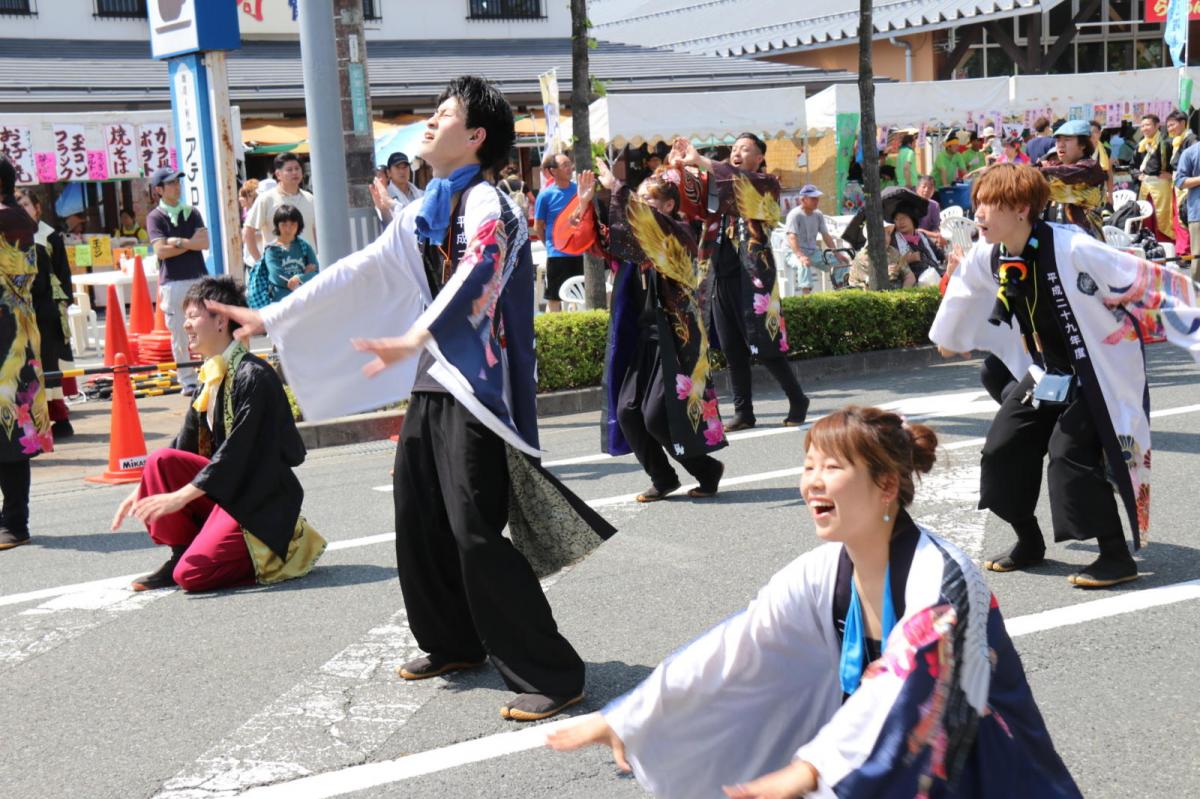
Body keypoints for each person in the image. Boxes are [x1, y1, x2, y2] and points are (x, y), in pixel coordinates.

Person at [204, 75, 614, 722]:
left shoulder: (490, 205)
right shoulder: (430, 204)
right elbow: (361, 267)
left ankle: (553, 671)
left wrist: (417, 334)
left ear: (475, 137)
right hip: (434, 379)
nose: (429, 122)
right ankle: (453, 641)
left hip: (479, 388)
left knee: (475, 527)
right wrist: (271, 317)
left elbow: (481, 267)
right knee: (418, 514)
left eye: (444, 114)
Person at [547, 406, 1082, 799]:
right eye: (808, 466)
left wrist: (811, 768)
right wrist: (631, 716)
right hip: (881, 759)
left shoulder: (941, 579)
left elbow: (908, 683)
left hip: (976, 762)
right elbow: (738, 647)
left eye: (831, 467)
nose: (812, 483)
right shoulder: (823, 572)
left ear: (887, 484)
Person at [931, 163, 1200, 587]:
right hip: (1047, 373)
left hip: (1098, 374)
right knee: (1003, 448)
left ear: (1021, 209)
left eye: (989, 204)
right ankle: (1028, 540)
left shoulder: (1073, 248)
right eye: (977, 203)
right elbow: (965, 290)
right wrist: (947, 336)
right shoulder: (992, 253)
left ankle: (1115, 555)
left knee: (1068, 452)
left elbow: (1145, 280)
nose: (978, 214)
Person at [110, 276, 325, 592]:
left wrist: (180, 497)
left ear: (221, 320)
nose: (186, 326)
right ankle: (182, 551)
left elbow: (237, 454)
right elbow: (182, 445)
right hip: (230, 494)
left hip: (259, 502)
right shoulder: (210, 374)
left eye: (193, 316)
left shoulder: (255, 377)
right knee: (159, 461)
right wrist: (141, 490)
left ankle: (283, 548)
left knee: (191, 576)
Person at [570, 164, 727, 502]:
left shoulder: (678, 233)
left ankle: (706, 469)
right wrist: (584, 205)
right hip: (643, 338)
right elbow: (604, 242)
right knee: (627, 411)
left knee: (656, 416)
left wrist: (618, 188)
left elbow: (646, 224)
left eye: (648, 201)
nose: (639, 207)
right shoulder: (637, 245)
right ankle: (663, 477)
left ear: (669, 206)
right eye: (638, 200)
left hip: (676, 338)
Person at [668, 134, 810, 432]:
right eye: (733, 149)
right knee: (732, 350)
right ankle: (744, 412)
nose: (736, 153)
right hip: (717, 275)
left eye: (745, 149)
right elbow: (692, 203)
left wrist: (701, 161)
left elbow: (737, 180)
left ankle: (797, 398)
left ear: (759, 157)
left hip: (752, 280)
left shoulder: (765, 183)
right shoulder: (719, 186)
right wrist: (680, 168)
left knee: (765, 344)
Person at [0, 157, 52, 552]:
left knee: (13, 429)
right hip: (17, 328)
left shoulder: (8, 219)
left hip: (8, 336)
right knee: (13, 428)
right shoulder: (20, 217)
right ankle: (13, 520)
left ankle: (15, 522)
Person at [15, 190, 76, 437]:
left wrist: (64, 301)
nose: (22, 208)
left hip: (46, 307)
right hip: (26, 309)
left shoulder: (47, 236)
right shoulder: (14, 234)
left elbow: (62, 272)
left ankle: (58, 419)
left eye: (26, 203)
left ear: (37, 207)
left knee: (48, 363)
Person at [146, 167, 208, 396]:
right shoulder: (155, 216)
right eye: (170, 183)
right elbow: (161, 251)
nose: (176, 186)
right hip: (173, 282)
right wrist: (188, 243)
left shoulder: (192, 212)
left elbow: (203, 243)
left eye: (177, 182)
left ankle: (207, 374)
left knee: (205, 328)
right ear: (159, 190)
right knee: (180, 333)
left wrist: (178, 242)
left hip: (199, 277)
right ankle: (187, 380)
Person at [1038, 119, 1107, 240]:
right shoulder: (1057, 167)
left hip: (1087, 242)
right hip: (1059, 241)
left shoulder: (1090, 168)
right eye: (1058, 140)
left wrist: (1032, 172)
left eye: (1067, 140)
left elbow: (1062, 174)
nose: (1060, 144)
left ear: (1083, 144)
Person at [244, 152, 317, 262]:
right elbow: (248, 231)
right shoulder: (266, 199)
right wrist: (260, 262)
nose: (295, 172)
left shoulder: (310, 199)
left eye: (297, 168)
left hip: (308, 268)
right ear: (278, 174)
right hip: (278, 269)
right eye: (289, 170)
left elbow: (317, 232)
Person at [534, 151, 580, 312]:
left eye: (570, 164)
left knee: (579, 296)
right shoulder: (545, 195)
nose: (570, 168)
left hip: (579, 252)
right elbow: (538, 226)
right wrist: (548, 245)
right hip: (557, 255)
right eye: (565, 165)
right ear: (553, 171)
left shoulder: (579, 191)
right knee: (555, 298)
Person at [783, 184, 846, 295]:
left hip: (812, 252)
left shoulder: (818, 214)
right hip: (793, 252)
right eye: (813, 198)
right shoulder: (794, 215)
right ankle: (807, 298)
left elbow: (826, 235)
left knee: (840, 262)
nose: (816, 201)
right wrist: (801, 256)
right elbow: (792, 237)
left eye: (817, 198)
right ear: (803, 199)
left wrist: (836, 253)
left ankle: (840, 290)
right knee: (803, 263)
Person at [261, 204, 318, 302]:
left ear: (299, 225)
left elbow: (316, 272)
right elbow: (277, 277)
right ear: (277, 225)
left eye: (293, 224)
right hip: (280, 301)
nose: (288, 228)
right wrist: (304, 276)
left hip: (304, 300)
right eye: (284, 224)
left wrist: (298, 277)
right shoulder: (272, 249)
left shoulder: (304, 246)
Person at [1135, 113, 1175, 241]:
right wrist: (1137, 175)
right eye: (1142, 126)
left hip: (1162, 185)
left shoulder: (1168, 143)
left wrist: (1171, 174)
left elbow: (1176, 164)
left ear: (1157, 125)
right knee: (1146, 217)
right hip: (1145, 186)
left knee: (1162, 218)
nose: (1144, 128)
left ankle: (1165, 245)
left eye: (1147, 125)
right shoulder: (1141, 145)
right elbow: (1133, 166)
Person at [1167, 109, 1196, 253]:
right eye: (1168, 126)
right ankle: (1181, 249)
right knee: (1178, 217)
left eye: (1172, 125)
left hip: (1187, 184)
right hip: (1177, 183)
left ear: (1183, 123)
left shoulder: (1191, 140)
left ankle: (1185, 251)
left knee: (1184, 216)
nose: (1170, 129)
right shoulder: (1177, 141)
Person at [371, 151, 425, 226]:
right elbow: (388, 224)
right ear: (389, 172)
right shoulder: (384, 197)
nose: (402, 171)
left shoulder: (422, 194)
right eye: (397, 167)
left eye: (405, 167)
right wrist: (384, 208)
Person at [1173, 133, 1200, 265]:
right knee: (1198, 259)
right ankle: (1196, 286)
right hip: (1198, 211)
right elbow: (1180, 181)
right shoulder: (1191, 152)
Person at [915, 174, 942, 242]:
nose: (926, 190)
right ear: (917, 188)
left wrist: (933, 235)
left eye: (930, 188)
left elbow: (936, 227)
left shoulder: (935, 206)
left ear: (933, 191)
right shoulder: (910, 203)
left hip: (929, 238)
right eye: (924, 187)